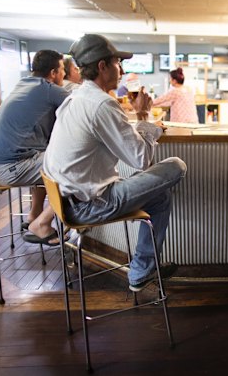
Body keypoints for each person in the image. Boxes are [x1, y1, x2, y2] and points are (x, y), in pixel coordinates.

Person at [43, 34, 187, 292]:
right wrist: (143, 114)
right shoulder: (102, 104)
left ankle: (142, 271)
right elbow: (141, 159)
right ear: (102, 66)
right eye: (117, 63)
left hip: (65, 201)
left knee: (160, 198)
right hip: (89, 205)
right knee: (176, 165)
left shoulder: (75, 98)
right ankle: (142, 269)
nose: (121, 70)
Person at [0, 49, 70, 246]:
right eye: (62, 69)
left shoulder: (23, 84)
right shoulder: (47, 88)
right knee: (74, 166)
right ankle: (42, 224)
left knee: (45, 159)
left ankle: (33, 217)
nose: (65, 74)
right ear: (53, 73)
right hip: (6, 169)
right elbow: (84, 107)